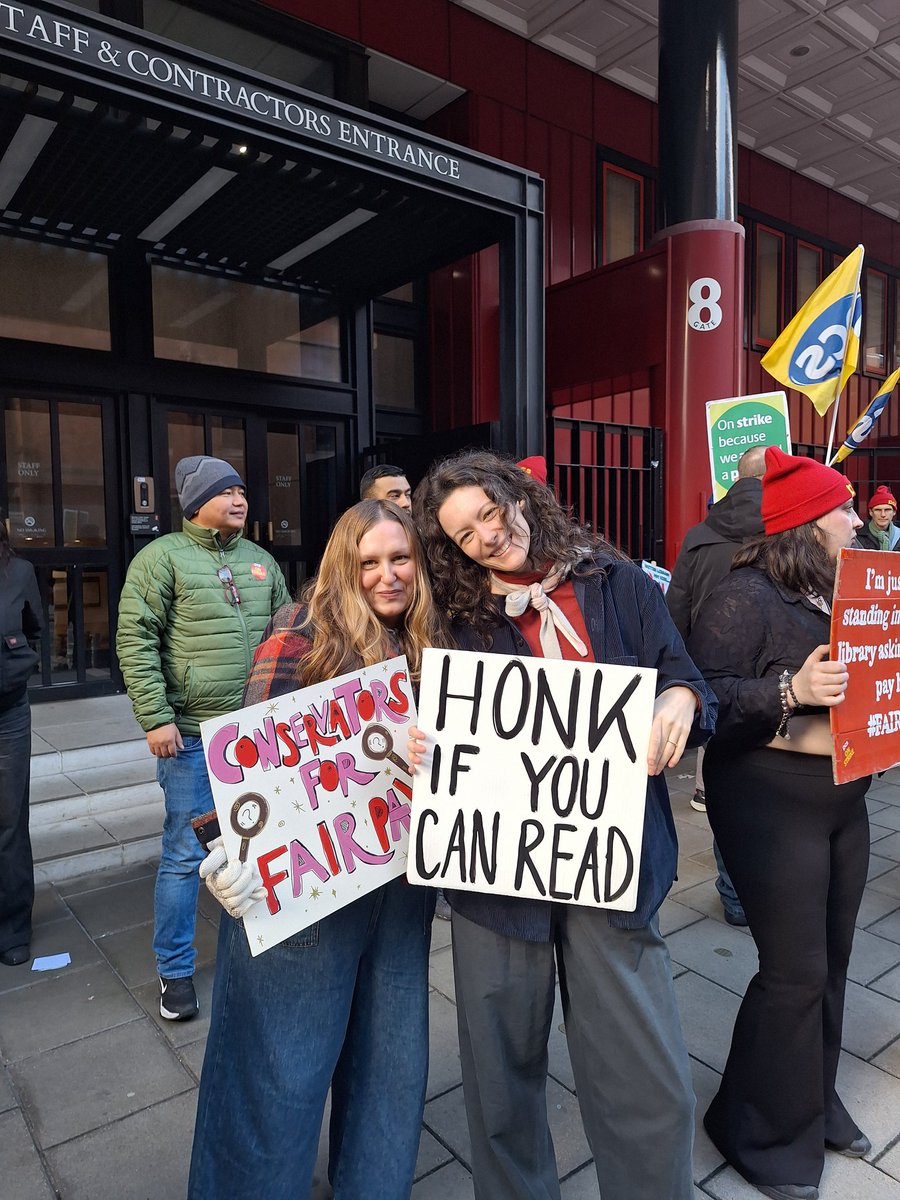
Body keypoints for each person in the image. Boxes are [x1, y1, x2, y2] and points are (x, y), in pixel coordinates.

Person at [410, 450, 716, 1200]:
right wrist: (411, 736)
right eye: (464, 533)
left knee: (647, 1079)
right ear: (449, 550)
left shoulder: (618, 584)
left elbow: (686, 677)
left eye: (491, 511)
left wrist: (678, 702)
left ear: (520, 495)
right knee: (500, 1084)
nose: (488, 534)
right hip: (493, 879)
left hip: (609, 867)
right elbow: (396, 698)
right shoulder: (447, 616)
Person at [188, 499, 447, 1200]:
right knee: (275, 1072)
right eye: (369, 563)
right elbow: (248, 750)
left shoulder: (434, 641)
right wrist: (223, 847)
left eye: (401, 560)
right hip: (302, 891)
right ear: (344, 566)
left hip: (397, 883)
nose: (387, 576)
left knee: (389, 1067)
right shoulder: (300, 631)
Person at [687, 447, 869, 1200]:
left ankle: (810, 1102)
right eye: (844, 508)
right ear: (805, 524)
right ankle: (752, 1127)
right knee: (794, 973)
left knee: (830, 964)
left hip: (842, 800)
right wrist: (792, 691)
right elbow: (706, 702)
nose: (858, 518)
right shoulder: (744, 597)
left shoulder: (849, 593)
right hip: (769, 800)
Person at [116, 456, 290, 1021]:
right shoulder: (160, 559)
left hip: (256, 734)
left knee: (261, 840)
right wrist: (155, 717)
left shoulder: (261, 561)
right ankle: (175, 971)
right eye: (226, 491)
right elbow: (135, 640)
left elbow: (290, 633)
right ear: (196, 503)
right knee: (186, 854)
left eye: (242, 489)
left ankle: (267, 945)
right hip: (190, 736)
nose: (240, 499)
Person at [667, 443, 767, 926]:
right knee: (772, 787)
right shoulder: (790, 530)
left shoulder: (699, 534)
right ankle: (765, 887)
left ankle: (732, 893)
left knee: (726, 783)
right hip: (775, 678)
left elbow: (675, 612)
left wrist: (679, 680)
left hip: (712, 679)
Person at [0, 522, 42, 967]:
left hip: (7, 713)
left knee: (9, 819)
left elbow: (34, 629)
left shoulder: (19, 571)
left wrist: (15, 672)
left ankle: (12, 926)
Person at [855, 484, 900, 550]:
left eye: (887, 510)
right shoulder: (857, 536)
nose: (883, 514)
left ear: (894, 512)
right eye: (878, 510)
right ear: (871, 512)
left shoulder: (898, 535)